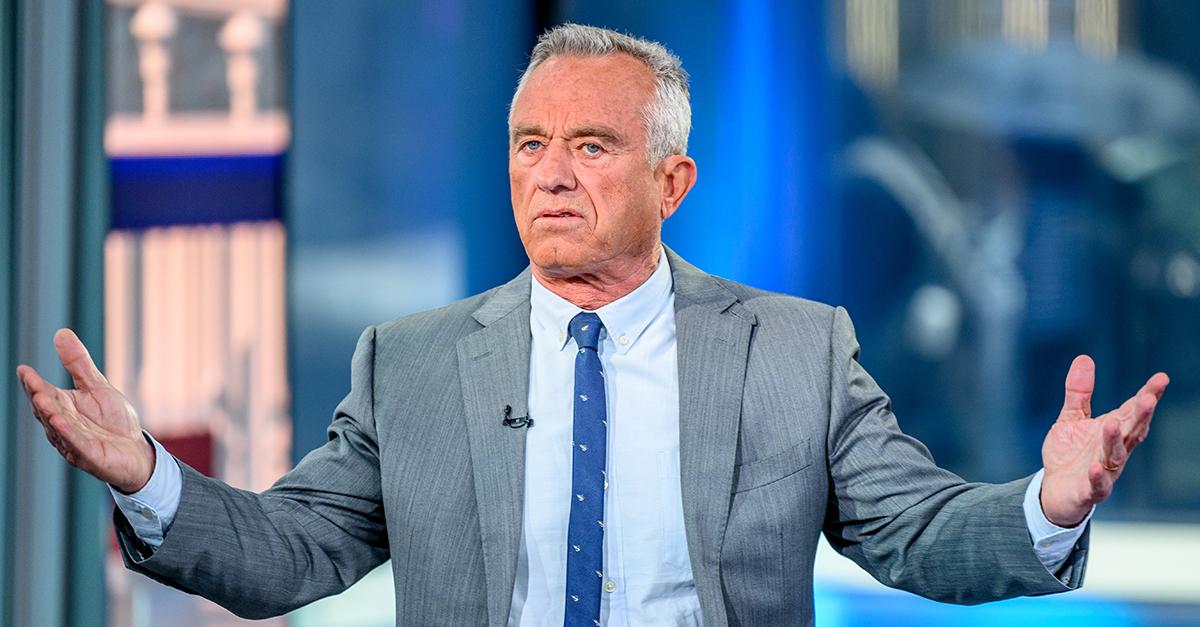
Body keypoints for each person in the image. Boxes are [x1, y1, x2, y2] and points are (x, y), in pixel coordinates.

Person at [16, 24, 1169, 627]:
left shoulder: (796, 352)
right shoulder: (410, 363)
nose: (550, 176)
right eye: (529, 145)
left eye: (591, 147)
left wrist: (1046, 505)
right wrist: (149, 479)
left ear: (673, 182)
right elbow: (290, 557)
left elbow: (918, 534)